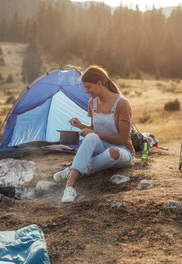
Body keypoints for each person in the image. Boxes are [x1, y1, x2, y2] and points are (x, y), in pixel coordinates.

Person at [53, 65, 135, 203]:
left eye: (88, 87)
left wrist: (95, 133)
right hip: (102, 148)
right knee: (91, 137)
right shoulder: (93, 102)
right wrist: (81, 126)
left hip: (122, 151)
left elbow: (122, 138)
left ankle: (73, 170)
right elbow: (94, 129)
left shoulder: (122, 104)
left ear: (99, 83)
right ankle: (70, 187)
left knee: (113, 152)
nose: (86, 91)